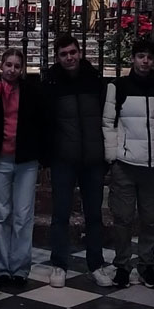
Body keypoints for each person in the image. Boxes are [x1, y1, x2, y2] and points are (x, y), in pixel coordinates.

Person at [103, 38, 154, 289]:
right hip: (124, 164)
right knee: (123, 217)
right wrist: (112, 156)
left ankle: (146, 265)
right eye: (141, 56)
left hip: (153, 166)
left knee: (152, 218)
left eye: (150, 57)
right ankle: (122, 265)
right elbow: (108, 123)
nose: (145, 61)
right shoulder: (118, 87)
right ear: (133, 59)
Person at [43, 33, 113, 289]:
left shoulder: (94, 79)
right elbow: (46, 122)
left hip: (93, 158)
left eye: (72, 52)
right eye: (64, 54)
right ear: (57, 57)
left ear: (80, 53)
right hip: (63, 158)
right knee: (60, 214)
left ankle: (96, 264)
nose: (69, 57)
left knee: (94, 215)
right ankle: (59, 264)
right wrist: (48, 157)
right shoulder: (51, 82)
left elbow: (106, 117)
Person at [0, 47, 45, 287]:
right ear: (1, 66)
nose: (12, 69)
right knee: (0, 214)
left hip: (26, 160)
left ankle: (20, 267)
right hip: (0, 158)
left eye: (16, 66)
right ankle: (2, 267)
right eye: (8, 64)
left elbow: (40, 122)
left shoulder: (31, 91)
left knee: (23, 214)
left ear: (22, 69)